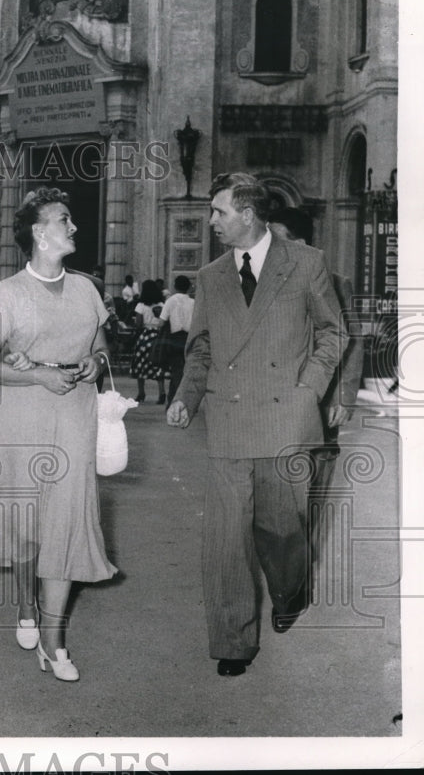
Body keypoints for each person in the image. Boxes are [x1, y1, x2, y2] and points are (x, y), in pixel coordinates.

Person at [166, 173, 344, 677]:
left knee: (281, 530)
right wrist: (186, 396)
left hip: (286, 419)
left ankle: (290, 592)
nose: (212, 222)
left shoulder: (305, 263)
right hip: (228, 418)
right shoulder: (211, 276)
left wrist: (309, 386)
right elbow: (200, 346)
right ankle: (233, 642)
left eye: (220, 212)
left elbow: (333, 331)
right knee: (225, 540)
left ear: (248, 214)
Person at [0, 187, 117, 682]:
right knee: (26, 524)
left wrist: (91, 364)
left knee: (65, 523)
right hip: (22, 416)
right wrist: (38, 374)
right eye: (64, 219)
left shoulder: (86, 289)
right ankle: (25, 608)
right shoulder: (6, 294)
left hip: (75, 416)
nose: (73, 227)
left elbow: (101, 348)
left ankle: (54, 645)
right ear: (39, 233)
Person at [268, 207, 364, 559]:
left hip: (320, 405)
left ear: (302, 242)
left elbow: (352, 343)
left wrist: (345, 396)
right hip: (272, 403)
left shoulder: (337, 283)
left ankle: (300, 565)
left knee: (313, 488)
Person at [157, 275, 195, 407]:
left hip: (174, 339)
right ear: (188, 287)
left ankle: (173, 400)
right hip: (189, 339)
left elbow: (161, 322)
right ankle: (183, 400)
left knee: (176, 371)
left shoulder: (170, 301)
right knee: (186, 371)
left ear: (174, 286)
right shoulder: (193, 302)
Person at [130, 278, 167, 404]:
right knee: (158, 364)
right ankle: (162, 392)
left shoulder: (141, 305)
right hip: (158, 336)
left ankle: (141, 393)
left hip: (145, 336)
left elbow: (139, 324)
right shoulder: (162, 305)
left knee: (140, 363)